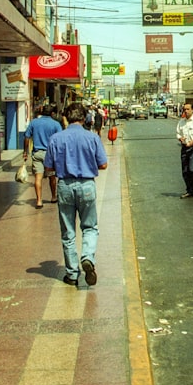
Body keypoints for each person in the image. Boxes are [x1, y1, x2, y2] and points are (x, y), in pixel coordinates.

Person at [44, 103, 108, 287]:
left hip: (64, 185)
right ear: (84, 118)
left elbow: (48, 168)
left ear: (66, 118)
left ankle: (72, 274)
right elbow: (103, 165)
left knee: (68, 232)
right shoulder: (92, 138)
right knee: (89, 227)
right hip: (87, 185)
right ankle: (87, 257)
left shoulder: (56, 139)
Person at [23, 104, 63, 209]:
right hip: (50, 154)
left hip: (37, 153)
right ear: (52, 113)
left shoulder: (34, 122)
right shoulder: (56, 124)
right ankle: (54, 196)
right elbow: (60, 140)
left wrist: (25, 152)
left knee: (38, 177)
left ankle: (39, 201)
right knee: (52, 177)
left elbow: (27, 137)